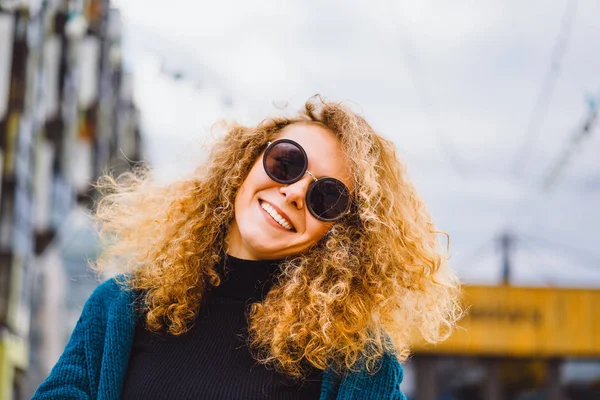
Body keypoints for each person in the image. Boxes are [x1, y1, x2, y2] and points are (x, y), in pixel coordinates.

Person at [32, 96, 461, 399]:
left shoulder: (357, 363)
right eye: (287, 163)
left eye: (325, 197)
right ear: (246, 163)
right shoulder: (118, 309)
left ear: (340, 234)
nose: (293, 193)